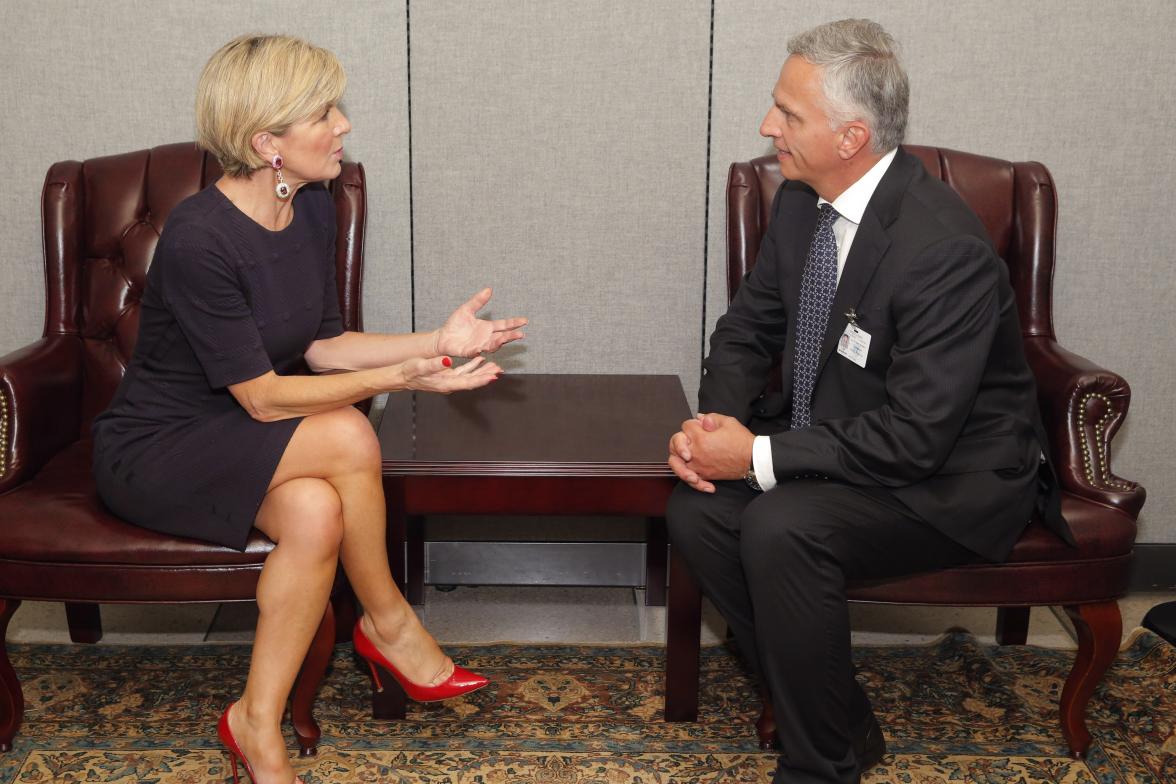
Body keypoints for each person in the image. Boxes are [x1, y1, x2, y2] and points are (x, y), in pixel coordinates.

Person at [91, 35, 526, 784]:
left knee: (319, 515)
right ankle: (390, 626)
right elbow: (262, 398)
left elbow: (325, 347)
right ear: (267, 143)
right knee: (350, 432)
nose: (343, 125)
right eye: (325, 112)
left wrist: (438, 342)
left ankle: (254, 722)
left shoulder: (314, 205)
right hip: (159, 446)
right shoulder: (198, 237)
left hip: (241, 429)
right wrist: (406, 377)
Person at [665, 18, 1071, 784]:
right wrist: (722, 427)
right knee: (697, 509)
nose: (766, 126)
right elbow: (747, 330)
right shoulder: (800, 204)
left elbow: (917, 437)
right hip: (845, 443)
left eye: (788, 114)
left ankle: (819, 769)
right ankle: (841, 722)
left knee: (784, 526)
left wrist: (754, 456)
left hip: (949, 476)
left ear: (851, 137)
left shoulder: (941, 249)